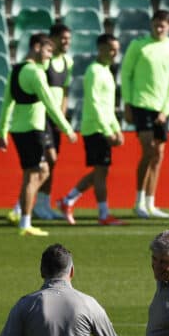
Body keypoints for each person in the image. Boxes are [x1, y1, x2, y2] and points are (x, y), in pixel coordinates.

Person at [0, 34, 77, 237]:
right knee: (37, 173)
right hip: (33, 129)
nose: (50, 56)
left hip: (18, 129)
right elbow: (50, 103)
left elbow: (7, 103)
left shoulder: (15, 70)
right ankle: (25, 221)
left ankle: (20, 213)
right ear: (36, 47)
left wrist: (3, 132)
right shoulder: (35, 73)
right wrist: (67, 128)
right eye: (48, 50)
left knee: (35, 173)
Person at [57, 34, 125, 226]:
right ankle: (103, 213)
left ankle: (68, 200)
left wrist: (117, 129)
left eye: (116, 49)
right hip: (95, 128)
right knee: (101, 171)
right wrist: (107, 131)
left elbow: (108, 106)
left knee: (100, 171)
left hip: (101, 127)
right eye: (111, 49)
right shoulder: (94, 71)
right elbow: (95, 104)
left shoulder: (106, 71)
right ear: (101, 48)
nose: (115, 53)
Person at [121, 10, 169, 219]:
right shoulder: (139, 45)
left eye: (163, 25)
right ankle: (138, 201)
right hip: (141, 104)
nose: (159, 28)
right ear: (151, 25)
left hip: (161, 108)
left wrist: (166, 109)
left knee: (158, 156)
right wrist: (127, 103)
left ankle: (151, 202)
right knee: (148, 151)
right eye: (156, 25)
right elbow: (126, 74)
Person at [32, 23, 74, 220]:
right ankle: (25, 205)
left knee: (52, 163)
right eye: (63, 38)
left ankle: (43, 204)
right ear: (53, 39)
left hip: (56, 119)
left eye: (68, 39)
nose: (66, 42)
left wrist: (62, 116)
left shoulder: (67, 62)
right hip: (43, 118)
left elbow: (64, 92)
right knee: (48, 160)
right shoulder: (45, 63)